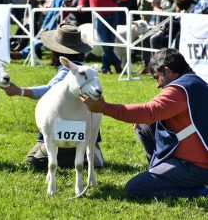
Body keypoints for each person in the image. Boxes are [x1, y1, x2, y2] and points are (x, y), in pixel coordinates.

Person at [80, 48, 208, 199]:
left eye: (156, 77)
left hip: (196, 168)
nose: (157, 85)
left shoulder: (179, 90)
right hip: (196, 161)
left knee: (135, 188)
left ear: (167, 71)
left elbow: (149, 112)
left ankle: (200, 191)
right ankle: (161, 173)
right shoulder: (195, 82)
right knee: (143, 125)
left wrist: (103, 108)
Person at [2, 23, 104, 169]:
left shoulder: (67, 71)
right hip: (85, 130)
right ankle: (91, 152)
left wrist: (20, 91)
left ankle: (75, 157)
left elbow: (49, 89)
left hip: (65, 131)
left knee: (32, 160)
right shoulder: (87, 70)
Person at [77, 0, 129, 74]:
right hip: (99, 14)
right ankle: (117, 64)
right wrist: (80, 3)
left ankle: (105, 68)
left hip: (113, 14)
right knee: (104, 43)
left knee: (109, 44)